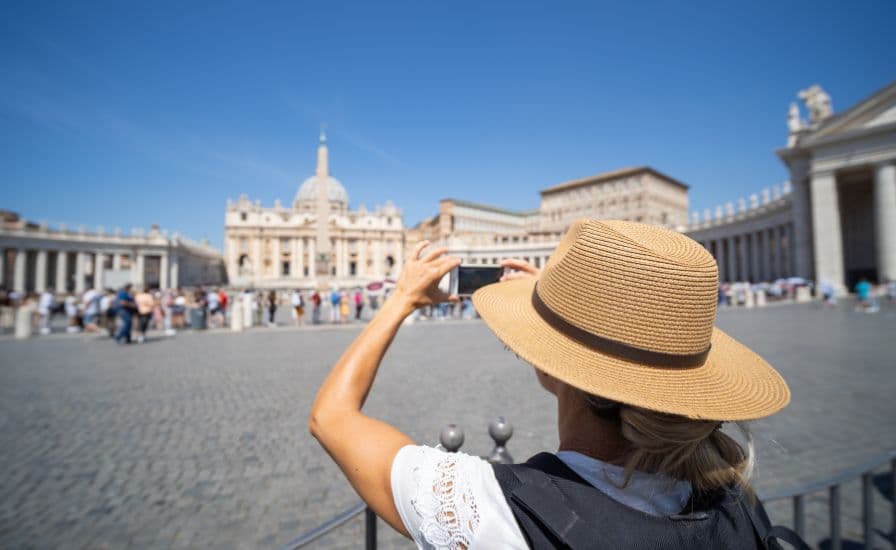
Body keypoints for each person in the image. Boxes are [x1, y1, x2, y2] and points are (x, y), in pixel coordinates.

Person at [309, 220, 794, 549]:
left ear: (551, 364)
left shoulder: (503, 516)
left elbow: (331, 417)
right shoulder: (733, 496)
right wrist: (578, 303)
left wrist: (401, 301)